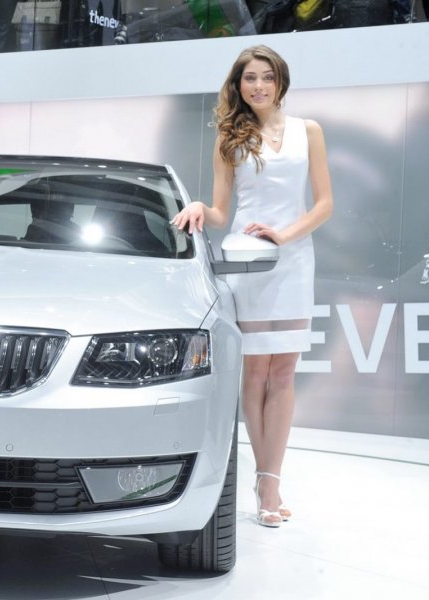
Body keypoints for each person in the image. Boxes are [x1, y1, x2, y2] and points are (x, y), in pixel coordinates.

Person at [171, 45, 333, 528]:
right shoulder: (229, 136)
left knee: (284, 374)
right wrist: (199, 207)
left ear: (280, 82)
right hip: (248, 261)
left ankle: (270, 480)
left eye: (266, 77)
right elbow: (222, 212)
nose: (258, 86)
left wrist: (284, 235)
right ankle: (265, 482)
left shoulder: (309, 131)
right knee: (256, 372)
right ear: (238, 85)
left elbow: (324, 204)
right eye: (249, 78)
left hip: (294, 259)